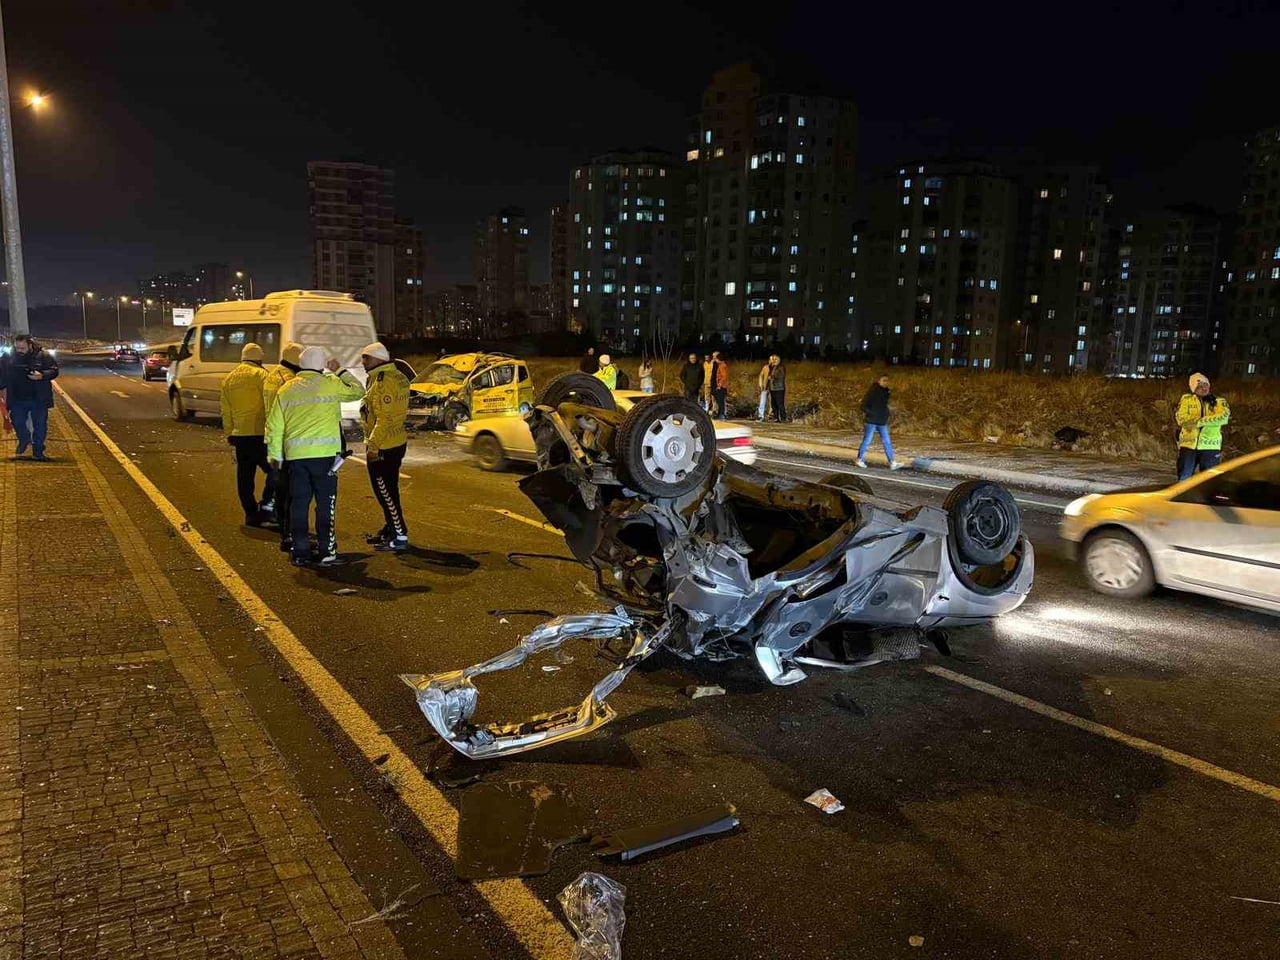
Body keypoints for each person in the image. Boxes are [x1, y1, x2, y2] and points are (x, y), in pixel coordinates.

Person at [266, 347, 365, 567]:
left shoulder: (286, 389)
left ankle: (300, 551)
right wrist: (339, 370)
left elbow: (274, 426)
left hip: (296, 458)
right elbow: (358, 390)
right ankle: (326, 551)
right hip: (325, 458)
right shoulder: (330, 384)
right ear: (321, 365)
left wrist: (275, 456)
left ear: (301, 364)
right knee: (325, 503)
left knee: (299, 504)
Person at [359, 342, 412, 552]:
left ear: (378, 359)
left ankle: (399, 535)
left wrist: (372, 446)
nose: (363, 362)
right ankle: (391, 528)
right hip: (394, 442)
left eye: (366, 358)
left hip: (384, 445)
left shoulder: (384, 381)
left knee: (385, 492)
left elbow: (385, 418)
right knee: (389, 491)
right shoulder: (390, 376)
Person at [219, 342, 276, 526]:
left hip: (240, 436)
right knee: (276, 473)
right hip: (260, 435)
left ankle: (250, 513)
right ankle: (267, 507)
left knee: (245, 477)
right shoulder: (263, 375)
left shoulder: (229, 378)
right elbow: (270, 405)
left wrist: (230, 434)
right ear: (259, 359)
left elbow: (225, 411)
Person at [263, 342, 304, 552]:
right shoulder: (287, 380)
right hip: (286, 438)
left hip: (274, 436)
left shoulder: (273, 375)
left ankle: (282, 524)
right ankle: (287, 532)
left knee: (281, 485)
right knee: (289, 490)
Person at [0, 334, 59, 461]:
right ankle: (24, 439)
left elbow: (54, 370)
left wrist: (42, 375)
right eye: (17, 348)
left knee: (40, 426)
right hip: (17, 398)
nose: (19, 351)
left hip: (39, 398)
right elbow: (2, 373)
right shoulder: (8, 357)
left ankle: (38, 451)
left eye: (22, 348)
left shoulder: (43, 356)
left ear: (30, 345)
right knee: (17, 422)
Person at [1176, 372, 1230, 480]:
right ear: (1193, 388)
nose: (1204, 388)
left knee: (1208, 480)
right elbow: (1181, 419)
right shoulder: (1186, 400)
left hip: (1211, 446)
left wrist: (1199, 422)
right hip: (1189, 445)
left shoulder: (1219, 402)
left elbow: (1223, 418)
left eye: (1206, 385)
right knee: (1184, 478)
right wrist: (1211, 420)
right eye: (1200, 386)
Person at [856, 375, 903, 470]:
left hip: (881, 421)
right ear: (879, 381)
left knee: (887, 441)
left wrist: (886, 413)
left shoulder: (886, 392)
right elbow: (863, 405)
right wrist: (872, 414)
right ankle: (859, 459)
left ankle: (892, 462)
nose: (886, 382)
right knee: (867, 440)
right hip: (871, 421)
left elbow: (883, 405)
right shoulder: (873, 391)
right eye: (884, 380)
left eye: (887, 380)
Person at [767, 354, 787, 422]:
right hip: (772, 388)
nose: (774, 361)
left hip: (779, 388)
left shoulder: (781, 367)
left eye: (776, 359)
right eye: (773, 359)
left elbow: (781, 376)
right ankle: (776, 418)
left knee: (780, 404)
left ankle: (783, 418)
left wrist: (772, 377)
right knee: (773, 404)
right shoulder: (772, 367)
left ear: (779, 360)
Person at [711, 351, 730, 418]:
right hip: (722, 385)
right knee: (719, 401)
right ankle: (720, 414)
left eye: (716, 359)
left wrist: (719, 385)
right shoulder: (721, 365)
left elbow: (724, 376)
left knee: (720, 401)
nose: (715, 360)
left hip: (722, 386)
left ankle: (722, 414)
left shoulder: (722, 366)